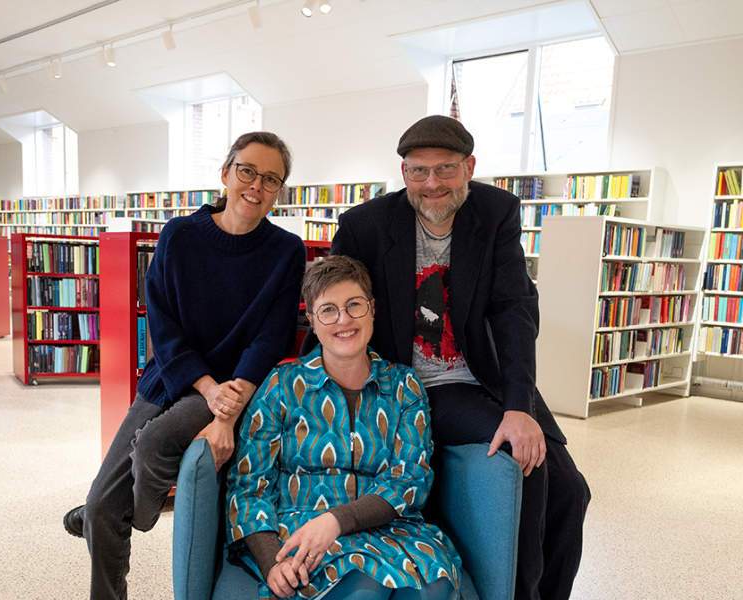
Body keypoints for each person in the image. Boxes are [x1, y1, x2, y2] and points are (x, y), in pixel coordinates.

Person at [320, 115, 591, 600]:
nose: (432, 184)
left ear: (469, 166)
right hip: (412, 385)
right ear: (403, 172)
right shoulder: (365, 225)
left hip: (479, 375)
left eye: (445, 169)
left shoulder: (497, 212)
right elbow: (333, 299)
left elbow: (514, 309)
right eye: (418, 171)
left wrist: (519, 405)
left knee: (573, 492)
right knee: (525, 465)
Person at [63, 131, 307, 600]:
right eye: (248, 171)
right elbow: (163, 321)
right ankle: (113, 531)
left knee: (155, 443)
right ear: (226, 173)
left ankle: (137, 516)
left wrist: (227, 402)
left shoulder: (286, 251)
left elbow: (272, 336)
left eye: (271, 179)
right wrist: (205, 385)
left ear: (279, 190)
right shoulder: (179, 235)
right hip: (174, 376)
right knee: (97, 508)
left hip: (235, 385)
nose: (256, 185)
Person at [226, 255, 461, 600]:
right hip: (304, 530)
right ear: (311, 319)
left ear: (373, 309)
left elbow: (410, 479)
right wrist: (270, 563)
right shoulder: (281, 385)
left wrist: (337, 520)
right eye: (328, 310)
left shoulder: (404, 386)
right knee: (364, 593)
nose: (344, 320)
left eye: (354, 305)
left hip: (392, 528)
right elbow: (248, 486)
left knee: (434, 589)